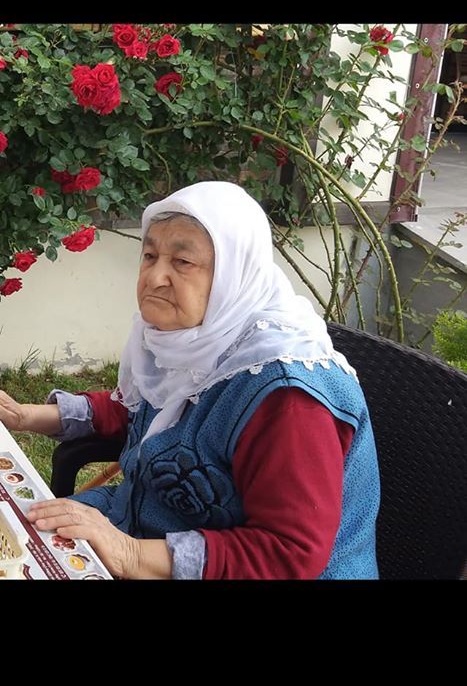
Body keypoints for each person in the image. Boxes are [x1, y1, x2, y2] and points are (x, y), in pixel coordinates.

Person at [0, 181, 380, 580]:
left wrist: (129, 553)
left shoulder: (287, 395)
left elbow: (290, 554)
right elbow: (137, 405)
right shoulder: (188, 339)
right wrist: (27, 416)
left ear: (234, 274)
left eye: (182, 262)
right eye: (150, 256)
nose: (155, 277)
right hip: (136, 524)